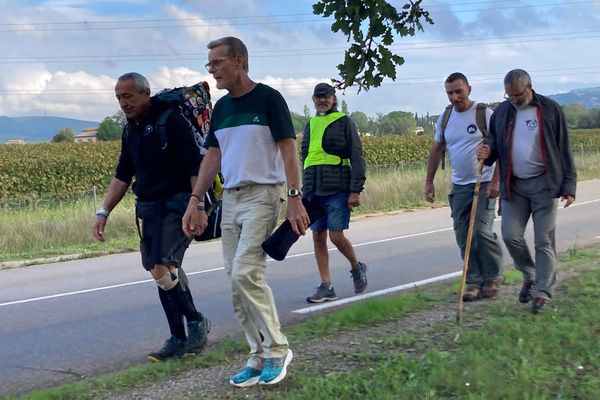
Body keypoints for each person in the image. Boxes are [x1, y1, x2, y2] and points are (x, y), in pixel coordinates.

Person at [182, 37, 309, 387]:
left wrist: (295, 196)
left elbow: (288, 150)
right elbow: (212, 156)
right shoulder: (221, 108)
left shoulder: (268, 99)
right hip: (232, 200)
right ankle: (256, 355)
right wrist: (196, 201)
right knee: (235, 282)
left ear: (239, 61)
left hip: (264, 195)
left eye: (217, 63)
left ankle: (277, 349)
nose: (212, 70)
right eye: (209, 64)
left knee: (245, 274)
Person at [93, 72, 210, 362]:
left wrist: (198, 205)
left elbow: (196, 166)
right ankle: (179, 338)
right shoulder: (130, 130)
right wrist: (103, 211)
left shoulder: (170, 120)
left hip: (178, 205)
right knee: (160, 273)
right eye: (119, 97)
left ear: (146, 93)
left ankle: (195, 322)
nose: (123, 103)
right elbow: (123, 174)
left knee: (162, 267)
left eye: (128, 96)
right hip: (149, 208)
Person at [477, 69, 577, 314]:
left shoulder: (551, 109)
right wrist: (487, 152)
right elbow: (496, 144)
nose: (514, 100)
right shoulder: (502, 112)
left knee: (544, 240)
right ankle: (529, 274)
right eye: (509, 96)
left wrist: (569, 185)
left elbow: (564, 148)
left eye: (518, 95)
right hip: (515, 185)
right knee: (510, 235)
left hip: (546, 184)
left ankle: (542, 292)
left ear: (530, 87)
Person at [425, 72, 504, 302]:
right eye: (450, 93)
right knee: (463, 235)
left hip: (485, 180)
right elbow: (437, 149)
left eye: (458, 91)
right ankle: (473, 281)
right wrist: (429, 181)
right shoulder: (446, 117)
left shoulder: (484, 114)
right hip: (459, 185)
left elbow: (500, 149)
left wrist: (497, 180)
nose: (454, 97)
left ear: (469, 88)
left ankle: (493, 276)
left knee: (480, 230)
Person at [301, 82, 368, 303]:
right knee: (318, 237)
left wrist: (355, 190)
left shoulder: (344, 122)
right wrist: (304, 189)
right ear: (313, 100)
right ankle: (326, 286)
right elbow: (305, 158)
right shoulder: (310, 124)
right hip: (314, 190)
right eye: (318, 97)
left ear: (334, 98)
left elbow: (357, 157)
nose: (322, 101)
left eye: (326, 97)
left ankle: (356, 267)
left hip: (338, 188)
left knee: (336, 235)